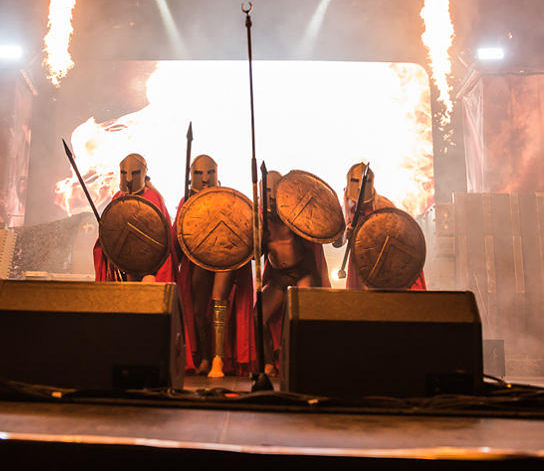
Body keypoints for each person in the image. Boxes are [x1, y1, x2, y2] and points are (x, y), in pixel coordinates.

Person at [173, 155, 255, 377]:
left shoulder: (226, 198)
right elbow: (179, 236)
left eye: (209, 172)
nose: (205, 178)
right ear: (192, 176)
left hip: (225, 258)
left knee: (219, 304)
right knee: (199, 311)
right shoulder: (186, 202)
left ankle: (218, 360)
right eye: (199, 173)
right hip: (200, 260)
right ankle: (205, 358)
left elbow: (241, 226)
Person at [260, 170, 331, 374]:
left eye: (275, 190)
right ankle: (267, 363)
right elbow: (254, 255)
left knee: (301, 316)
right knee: (258, 316)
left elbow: (323, 233)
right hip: (279, 278)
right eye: (268, 191)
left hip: (303, 273)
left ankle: (299, 360)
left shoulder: (296, 215)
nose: (272, 196)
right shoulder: (261, 221)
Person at [336, 162, 426, 290]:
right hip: (359, 260)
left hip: (383, 261)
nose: (360, 187)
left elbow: (400, 238)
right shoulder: (346, 207)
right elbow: (337, 240)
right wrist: (346, 234)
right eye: (356, 181)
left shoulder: (384, 207)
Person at [93, 153, 176, 283]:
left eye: (135, 173)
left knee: (148, 283)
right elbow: (110, 233)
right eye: (124, 173)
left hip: (151, 265)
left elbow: (162, 238)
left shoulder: (153, 198)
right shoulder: (118, 198)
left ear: (143, 173)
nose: (129, 179)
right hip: (125, 262)